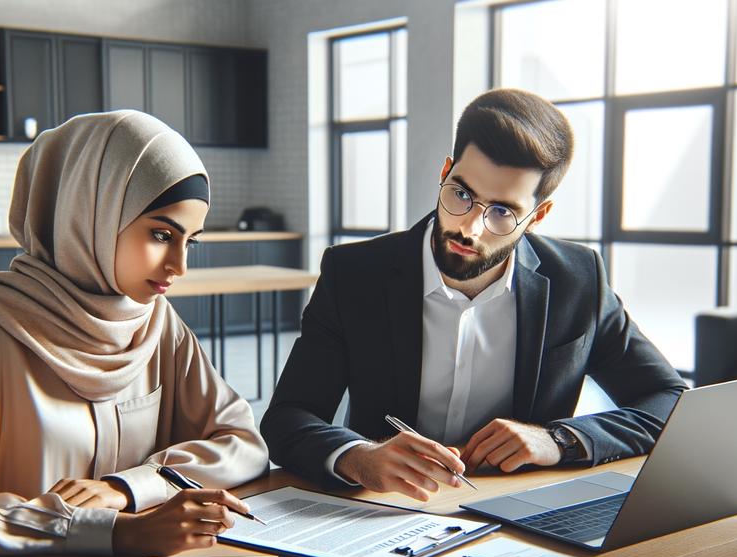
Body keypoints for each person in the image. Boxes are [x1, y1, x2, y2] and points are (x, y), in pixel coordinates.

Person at [261, 88, 688, 501]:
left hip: (520, 510)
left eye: (502, 211)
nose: (469, 228)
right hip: (389, 509)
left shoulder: (578, 280)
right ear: (445, 172)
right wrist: (359, 457)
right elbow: (286, 419)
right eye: (461, 194)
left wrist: (558, 440)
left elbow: (669, 400)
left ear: (538, 215)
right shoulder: (355, 274)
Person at [0, 110, 267, 556]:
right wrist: (113, 532)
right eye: (162, 234)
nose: (179, 267)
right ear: (92, 211)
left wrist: (129, 487)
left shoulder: (156, 322)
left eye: (191, 241)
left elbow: (245, 444)